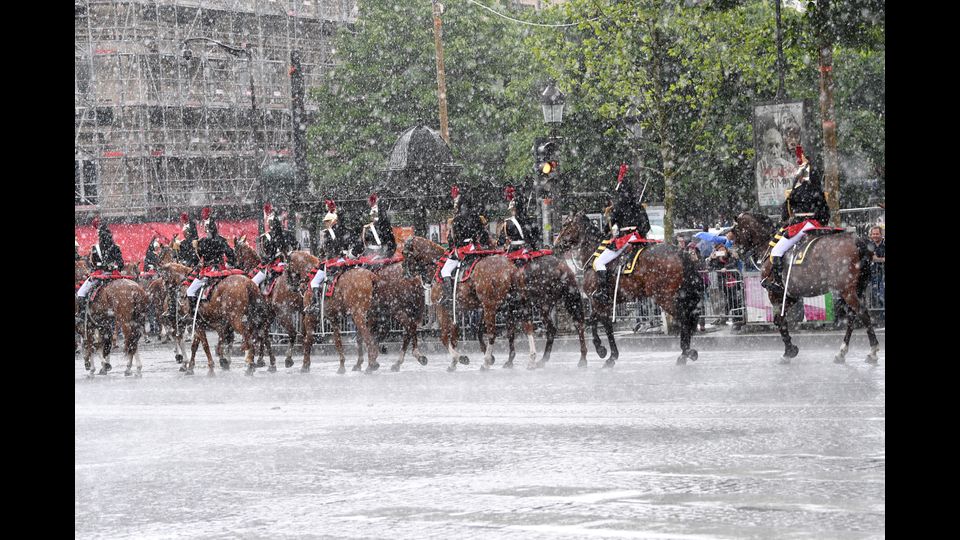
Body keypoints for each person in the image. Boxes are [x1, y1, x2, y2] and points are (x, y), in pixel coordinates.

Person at [764, 148, 830, 295]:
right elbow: (826, 214)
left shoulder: (794, 192)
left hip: (801, 225)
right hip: (817, 225)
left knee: (776, 251)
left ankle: (778, 282)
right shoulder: (819, 192)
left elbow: (785, 215)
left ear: (801, 176)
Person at [591, 164, 650, 301]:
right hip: (639, 239)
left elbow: (607, 229)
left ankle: (604, 292)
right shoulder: (639, 207)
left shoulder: (619, 208)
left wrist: (609, 223)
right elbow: (646, 227)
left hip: (626, 239)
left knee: (598, 262)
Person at [440, 186, 491, 304]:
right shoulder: (477, 217)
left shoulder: (456, 220)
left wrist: (453, 245)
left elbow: (453, 241)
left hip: (462, 250)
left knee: (445, 271)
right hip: (474, 248)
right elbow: (483, 236)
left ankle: (449, 296)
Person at [185, 208, 237, 316]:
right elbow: (230, 253)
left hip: (209, 271)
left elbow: (197, 259)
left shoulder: (202, 242)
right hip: (221, 269)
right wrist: (230, 263)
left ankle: (195, 314)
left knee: (190, 291)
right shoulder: (221, 240)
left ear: (206, 228)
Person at [76, 218, 124, 321]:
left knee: (81, 293)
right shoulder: (116, 247)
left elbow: (92, 265)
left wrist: (100, 266)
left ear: (99, 235)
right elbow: (121, 264)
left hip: (100, 275)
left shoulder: (95, 248)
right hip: (114, 275)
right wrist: (113, 267)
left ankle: (83, 315)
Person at [307, 200, 348, 314]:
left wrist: (336, 211)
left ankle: (316, 305)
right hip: (335, 260)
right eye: (325, 221)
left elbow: (326, 251)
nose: (326, 223)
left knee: (314, 282)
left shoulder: (335, 231)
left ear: (333, 221)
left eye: (328, 221)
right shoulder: (330, 232)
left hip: (334, 261)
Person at [252, 205, 298, 288]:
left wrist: (266, 260)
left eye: (270, 223)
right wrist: (289, 256)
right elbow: (296, 247)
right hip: (287, 264)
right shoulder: (288, 234)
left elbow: (268, 255)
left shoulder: (268, 236)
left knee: (253, 282)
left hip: (274, 264)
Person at [497, 184, 539, 252]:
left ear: (514, 209)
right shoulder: (531, 221)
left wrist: (499, 242)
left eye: (511, 210)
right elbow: (535, 238)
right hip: (528, 250)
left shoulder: (508, 223)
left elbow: (501, 242)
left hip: (514, 251)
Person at [361, 193, 397, 260]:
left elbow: (376, 220)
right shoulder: (378, 208)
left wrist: (368, 225)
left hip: (381, 230)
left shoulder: (376, 209)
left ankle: (380, 249)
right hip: (383, 230)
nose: (368, 202)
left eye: (369, 201)